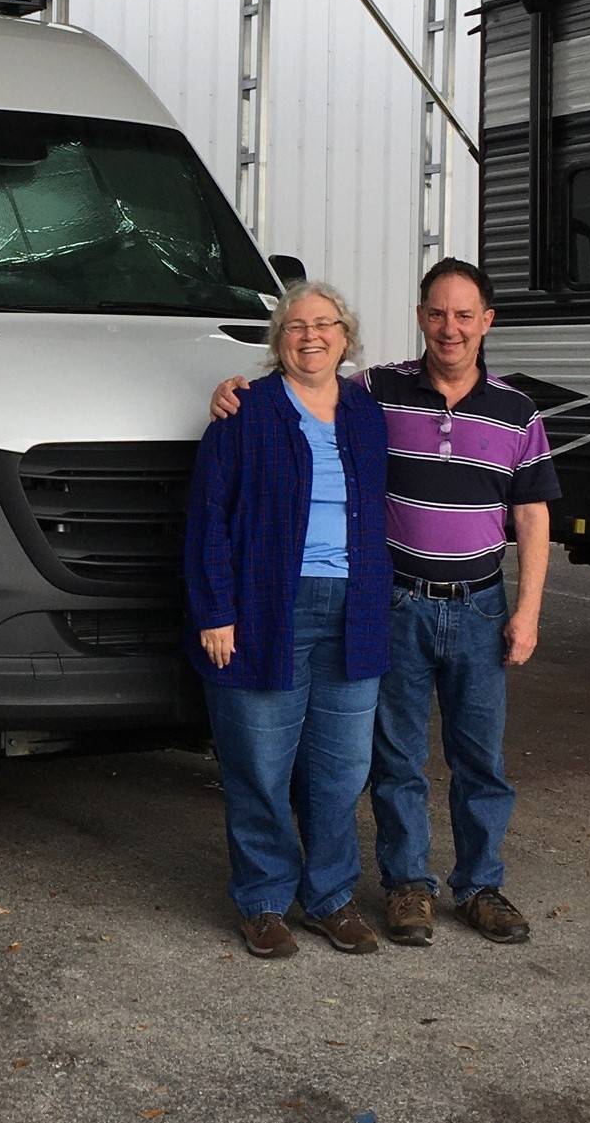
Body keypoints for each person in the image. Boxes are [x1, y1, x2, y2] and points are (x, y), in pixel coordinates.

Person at [209, 258, 559, 946]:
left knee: (433, 760)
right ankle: (367, 891)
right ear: (420, 316)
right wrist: (231, 389)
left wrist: (530, 609)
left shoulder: (499, 410)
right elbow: (222, 499)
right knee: (351, 759)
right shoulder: (355, 396)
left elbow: (534, 516)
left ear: (487, 321)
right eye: (437, 312)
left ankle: (450, 887)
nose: (449, 327)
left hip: (445, 605)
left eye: (464, 314)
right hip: (367, 604)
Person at [185, 281, 392, 958]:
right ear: (279, 340)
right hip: (266, 608)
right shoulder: (244, 412)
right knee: (260, 764)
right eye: (296, 325)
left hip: (355, 608)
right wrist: (216, 610)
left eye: (324, 323)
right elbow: (209, 516)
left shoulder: (366, 413)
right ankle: (264, 899)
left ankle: (330, 897)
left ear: (345, 334)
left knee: (340, 768)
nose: (311, 335)